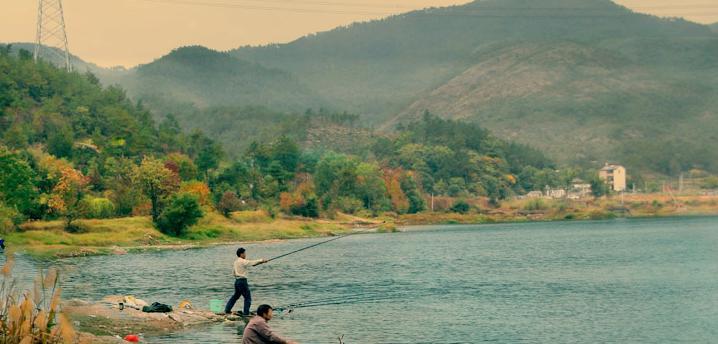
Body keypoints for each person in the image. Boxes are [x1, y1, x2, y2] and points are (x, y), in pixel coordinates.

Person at [225, 247, 267, 315]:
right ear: (241, 254)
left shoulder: (236, 262)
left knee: (235, 296)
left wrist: (261, 262)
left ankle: (227, 310)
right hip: (242, 281)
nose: (245, 255)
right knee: (247, 298)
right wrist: (261, 260)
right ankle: (246, 313)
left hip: (237, 281)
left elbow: (252, 264)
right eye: (244, 253)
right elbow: (251, 262)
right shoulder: (242, 261)